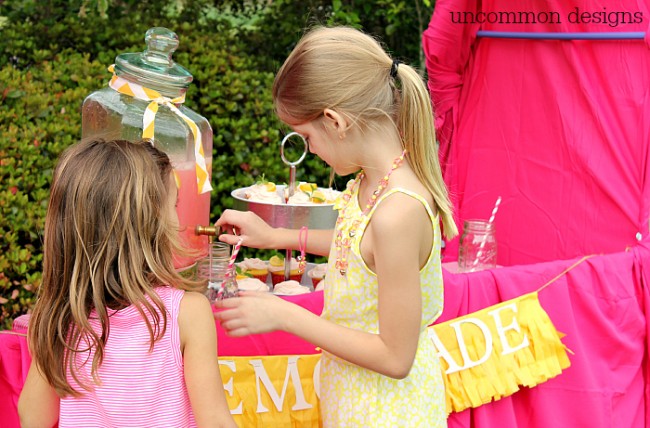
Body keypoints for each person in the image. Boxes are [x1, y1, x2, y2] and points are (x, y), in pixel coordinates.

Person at [214, 26, 458, 427]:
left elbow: (396, 358)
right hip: (356, 403)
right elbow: (359, 248)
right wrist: (275, 236)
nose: (309, 150)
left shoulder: (398, 210)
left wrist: (285, 315)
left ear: (335, 120)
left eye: (307, 136)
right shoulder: (370, 181)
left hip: (388, 413)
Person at [18, 139, 236, 428]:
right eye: (173, 205)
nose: (178, 218)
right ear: (149, 224)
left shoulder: (61, 319)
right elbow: (216, 423)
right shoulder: (187, 313)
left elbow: (32, 417)